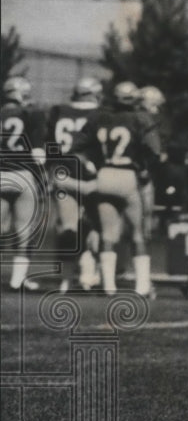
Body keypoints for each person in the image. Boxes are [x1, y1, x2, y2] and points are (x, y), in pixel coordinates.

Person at [72, 81, 161, 296]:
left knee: (107, 234)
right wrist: (144, 168)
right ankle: (141, 287)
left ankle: (108, 286)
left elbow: (76, 148)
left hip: (104, 175)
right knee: (137, 234)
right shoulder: (141, 119)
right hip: (128, 175)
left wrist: (91, 165)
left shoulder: (98, 118)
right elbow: (154, 150)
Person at [47, 76, 103, 291]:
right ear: (95, 93)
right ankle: (89, 275)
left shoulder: (58, 111)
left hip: (63, 172)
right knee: (96, 225)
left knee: (68, 227)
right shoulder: (99, 114)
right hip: (89, 173)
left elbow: (50, 144)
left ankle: (66, 279)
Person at [1, 76, 48, 291]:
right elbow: (39, 154)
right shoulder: (32, 115)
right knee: (24, 230)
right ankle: (17, 280)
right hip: (22, 173)